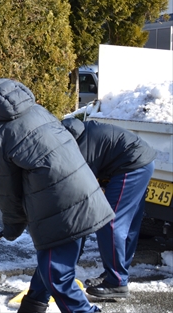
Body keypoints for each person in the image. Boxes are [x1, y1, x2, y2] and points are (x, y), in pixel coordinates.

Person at [0, 67, 114, 313]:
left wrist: (13, 222)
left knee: (56, 276)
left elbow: (4, 188)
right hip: (82, 193)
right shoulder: (33, 109)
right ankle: (32, 308)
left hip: (57, 205)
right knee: (51, 264)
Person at [61, 117, 156, 298]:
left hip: (131, 165)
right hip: (141, 160)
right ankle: (118, 274)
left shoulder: (79, 151)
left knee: (109, 222)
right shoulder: (82, 132)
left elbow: (81, 205)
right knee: (127, 227)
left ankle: (116, 282)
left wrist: (69, 256)